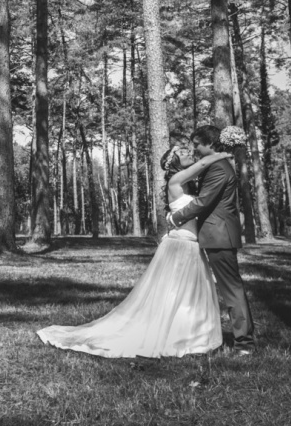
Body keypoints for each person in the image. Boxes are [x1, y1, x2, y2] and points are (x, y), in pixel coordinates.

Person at [36, 144, 228, 358]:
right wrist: (222, 154)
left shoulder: (191, 187)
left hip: (193, 245)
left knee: (191, 294)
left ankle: (194, 336)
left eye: (187, 150)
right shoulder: (175, 182)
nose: (188, 153)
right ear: (172, 162)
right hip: (180, 246)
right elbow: (202, 163)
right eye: (181, 152)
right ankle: (174, 335)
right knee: (173, 293)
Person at [167, 124, 256, 354]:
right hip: (215, 234)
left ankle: (244, 344)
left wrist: (176, 217)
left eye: (197, 144)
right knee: (230, 287)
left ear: (210, 144)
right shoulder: (216, 165)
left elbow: (204, 201)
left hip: (219, 235)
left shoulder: (218, 168)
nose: (194, 149)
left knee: (231, 289)